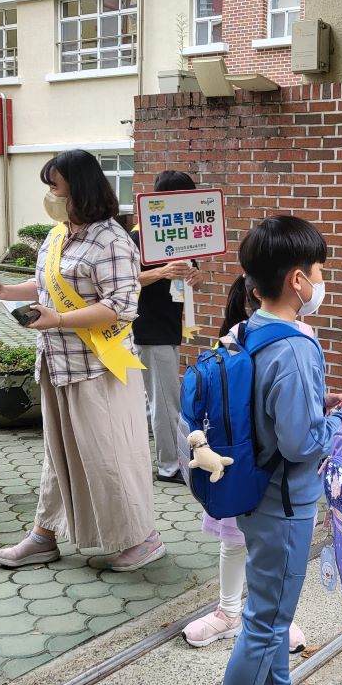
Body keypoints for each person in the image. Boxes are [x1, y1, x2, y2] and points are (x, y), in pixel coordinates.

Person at [0, 149, 162, 572]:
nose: (50, 194)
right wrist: (5, 290)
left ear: (79, 187)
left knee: (108, 457)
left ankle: (144, 538)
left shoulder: (113, 240)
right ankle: (44, 535)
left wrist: (58, 319)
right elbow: (47, 283)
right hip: (57, 363)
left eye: (55, 186)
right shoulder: (59, 234)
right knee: (58, 453)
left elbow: (121, 306)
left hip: (98, 367)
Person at [213, 216, 342, 685]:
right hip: (286, 503)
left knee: (267, 614)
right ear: (297, 280)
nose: (321, 281)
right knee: (266, 623)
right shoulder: (296, 346)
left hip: (253, 492)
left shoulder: (245, 330)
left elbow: (262, 406)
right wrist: (339, 418)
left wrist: (319, 402)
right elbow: (300, 443)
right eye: (317, 271)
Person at [182, 274, 307, 653]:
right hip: (245, 461)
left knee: (254, 546)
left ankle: (265, 615)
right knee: (238, 541)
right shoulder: (280, 337)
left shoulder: (280, 336)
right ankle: (231, 612)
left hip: (256, 463)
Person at [129, 169, 206, 484]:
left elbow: (192, 281)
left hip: (169, 326)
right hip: (149, 328)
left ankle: (164, 460)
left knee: (158, 400)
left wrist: (196, 279)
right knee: (165, 402)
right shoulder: (137, 236)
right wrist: (161, 272)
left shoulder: (182, 234)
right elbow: (126, 281)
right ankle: (170, 467)